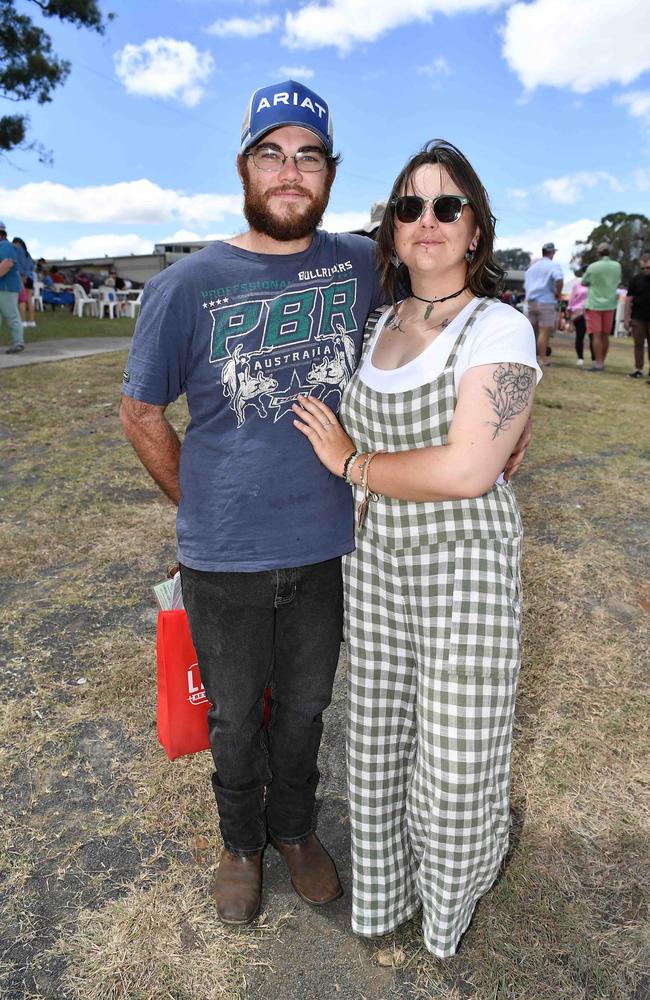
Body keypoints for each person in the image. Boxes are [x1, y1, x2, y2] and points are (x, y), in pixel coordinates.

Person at [120, 82, 531, 930]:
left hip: (331, 549)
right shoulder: (188, 283)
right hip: (223, 555)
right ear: (245, 167)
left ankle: (297, 830)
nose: (289, 172)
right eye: (272, 153)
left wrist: (514, 415)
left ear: (330, 175)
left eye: (308, 156)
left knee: (308, 707)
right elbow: (140, 413)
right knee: (235, 714)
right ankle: (241, 844)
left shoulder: (357, 264)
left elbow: (452, 305)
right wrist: (197, 506)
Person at [292, 139, 540, 958]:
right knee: (383, 737)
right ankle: (388, 891)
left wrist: (353, 464)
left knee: (457, 755)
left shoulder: (496, 324)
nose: (426, 220)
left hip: (461, 562)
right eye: (409, 206)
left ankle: (451, 902)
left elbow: (471, 469)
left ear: (475, 229)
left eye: (446, 205)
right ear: (390, 232)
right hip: (375, 560)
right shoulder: (373, 324)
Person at [582, 243, 622, 372]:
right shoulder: (617, 266)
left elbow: (583, 281)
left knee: (596, 336)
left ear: (598, 253)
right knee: (605, 335)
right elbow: (618, 281)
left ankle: (598, 363)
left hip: (594, 304)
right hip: (610, 304)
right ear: (610, 252)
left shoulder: (593, 267)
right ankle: (602, 361)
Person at [524, 242, 563, 367]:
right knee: (544, 332)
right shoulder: (553, 265)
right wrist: (558, 292)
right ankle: (542, 358)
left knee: (530, 331)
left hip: (531, 301)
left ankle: (527, 357)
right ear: (552, 252)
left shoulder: (532, 267)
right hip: (546, 301)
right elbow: (559, 279)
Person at [624, 253, 650, 380]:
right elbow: (628, 300)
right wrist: (626, 318)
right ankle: (638, 369)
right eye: (643, 268)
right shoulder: (635, 280)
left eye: (648, 267)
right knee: (638, 343)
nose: (645, 270)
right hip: (638, 317)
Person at [0, 220, 24, 354]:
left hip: (6, 287)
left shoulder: (6, 246)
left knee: (11, 315)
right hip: (3, 287)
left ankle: (18, 343)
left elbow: (7, 264)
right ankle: (17, 342)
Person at [567, 279, 593, 366]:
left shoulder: (595, 285)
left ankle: (594, 359)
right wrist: (570, 315)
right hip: (579, 314)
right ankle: (580, 358)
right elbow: (571, 300)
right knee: (579, 336)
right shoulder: (577, 285)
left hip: (591, 312)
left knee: (593, 337)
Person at [12, 237, 36, 329]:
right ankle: (32, 321)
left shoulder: (18, 251)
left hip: (22, 277)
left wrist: (22, 275)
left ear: (18, 243)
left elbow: (19, 264)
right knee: (29, 299)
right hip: (30, 278)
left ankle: (22, 321)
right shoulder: (28, 254)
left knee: (21, 300)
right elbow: (31, 266)